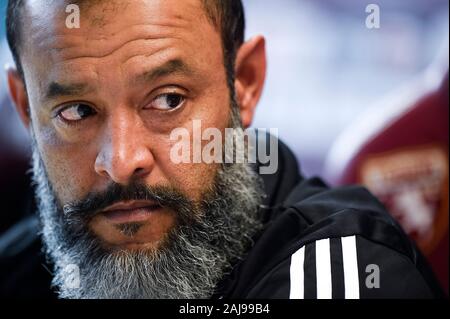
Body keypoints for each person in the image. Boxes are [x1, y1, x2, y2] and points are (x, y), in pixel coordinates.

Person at [0, 0, 444, 298]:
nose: (121, 161)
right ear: (25, 108)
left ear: (245, 84)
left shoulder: (343, 273)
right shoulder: (19, 264)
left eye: (168, 99)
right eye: (76, 111)